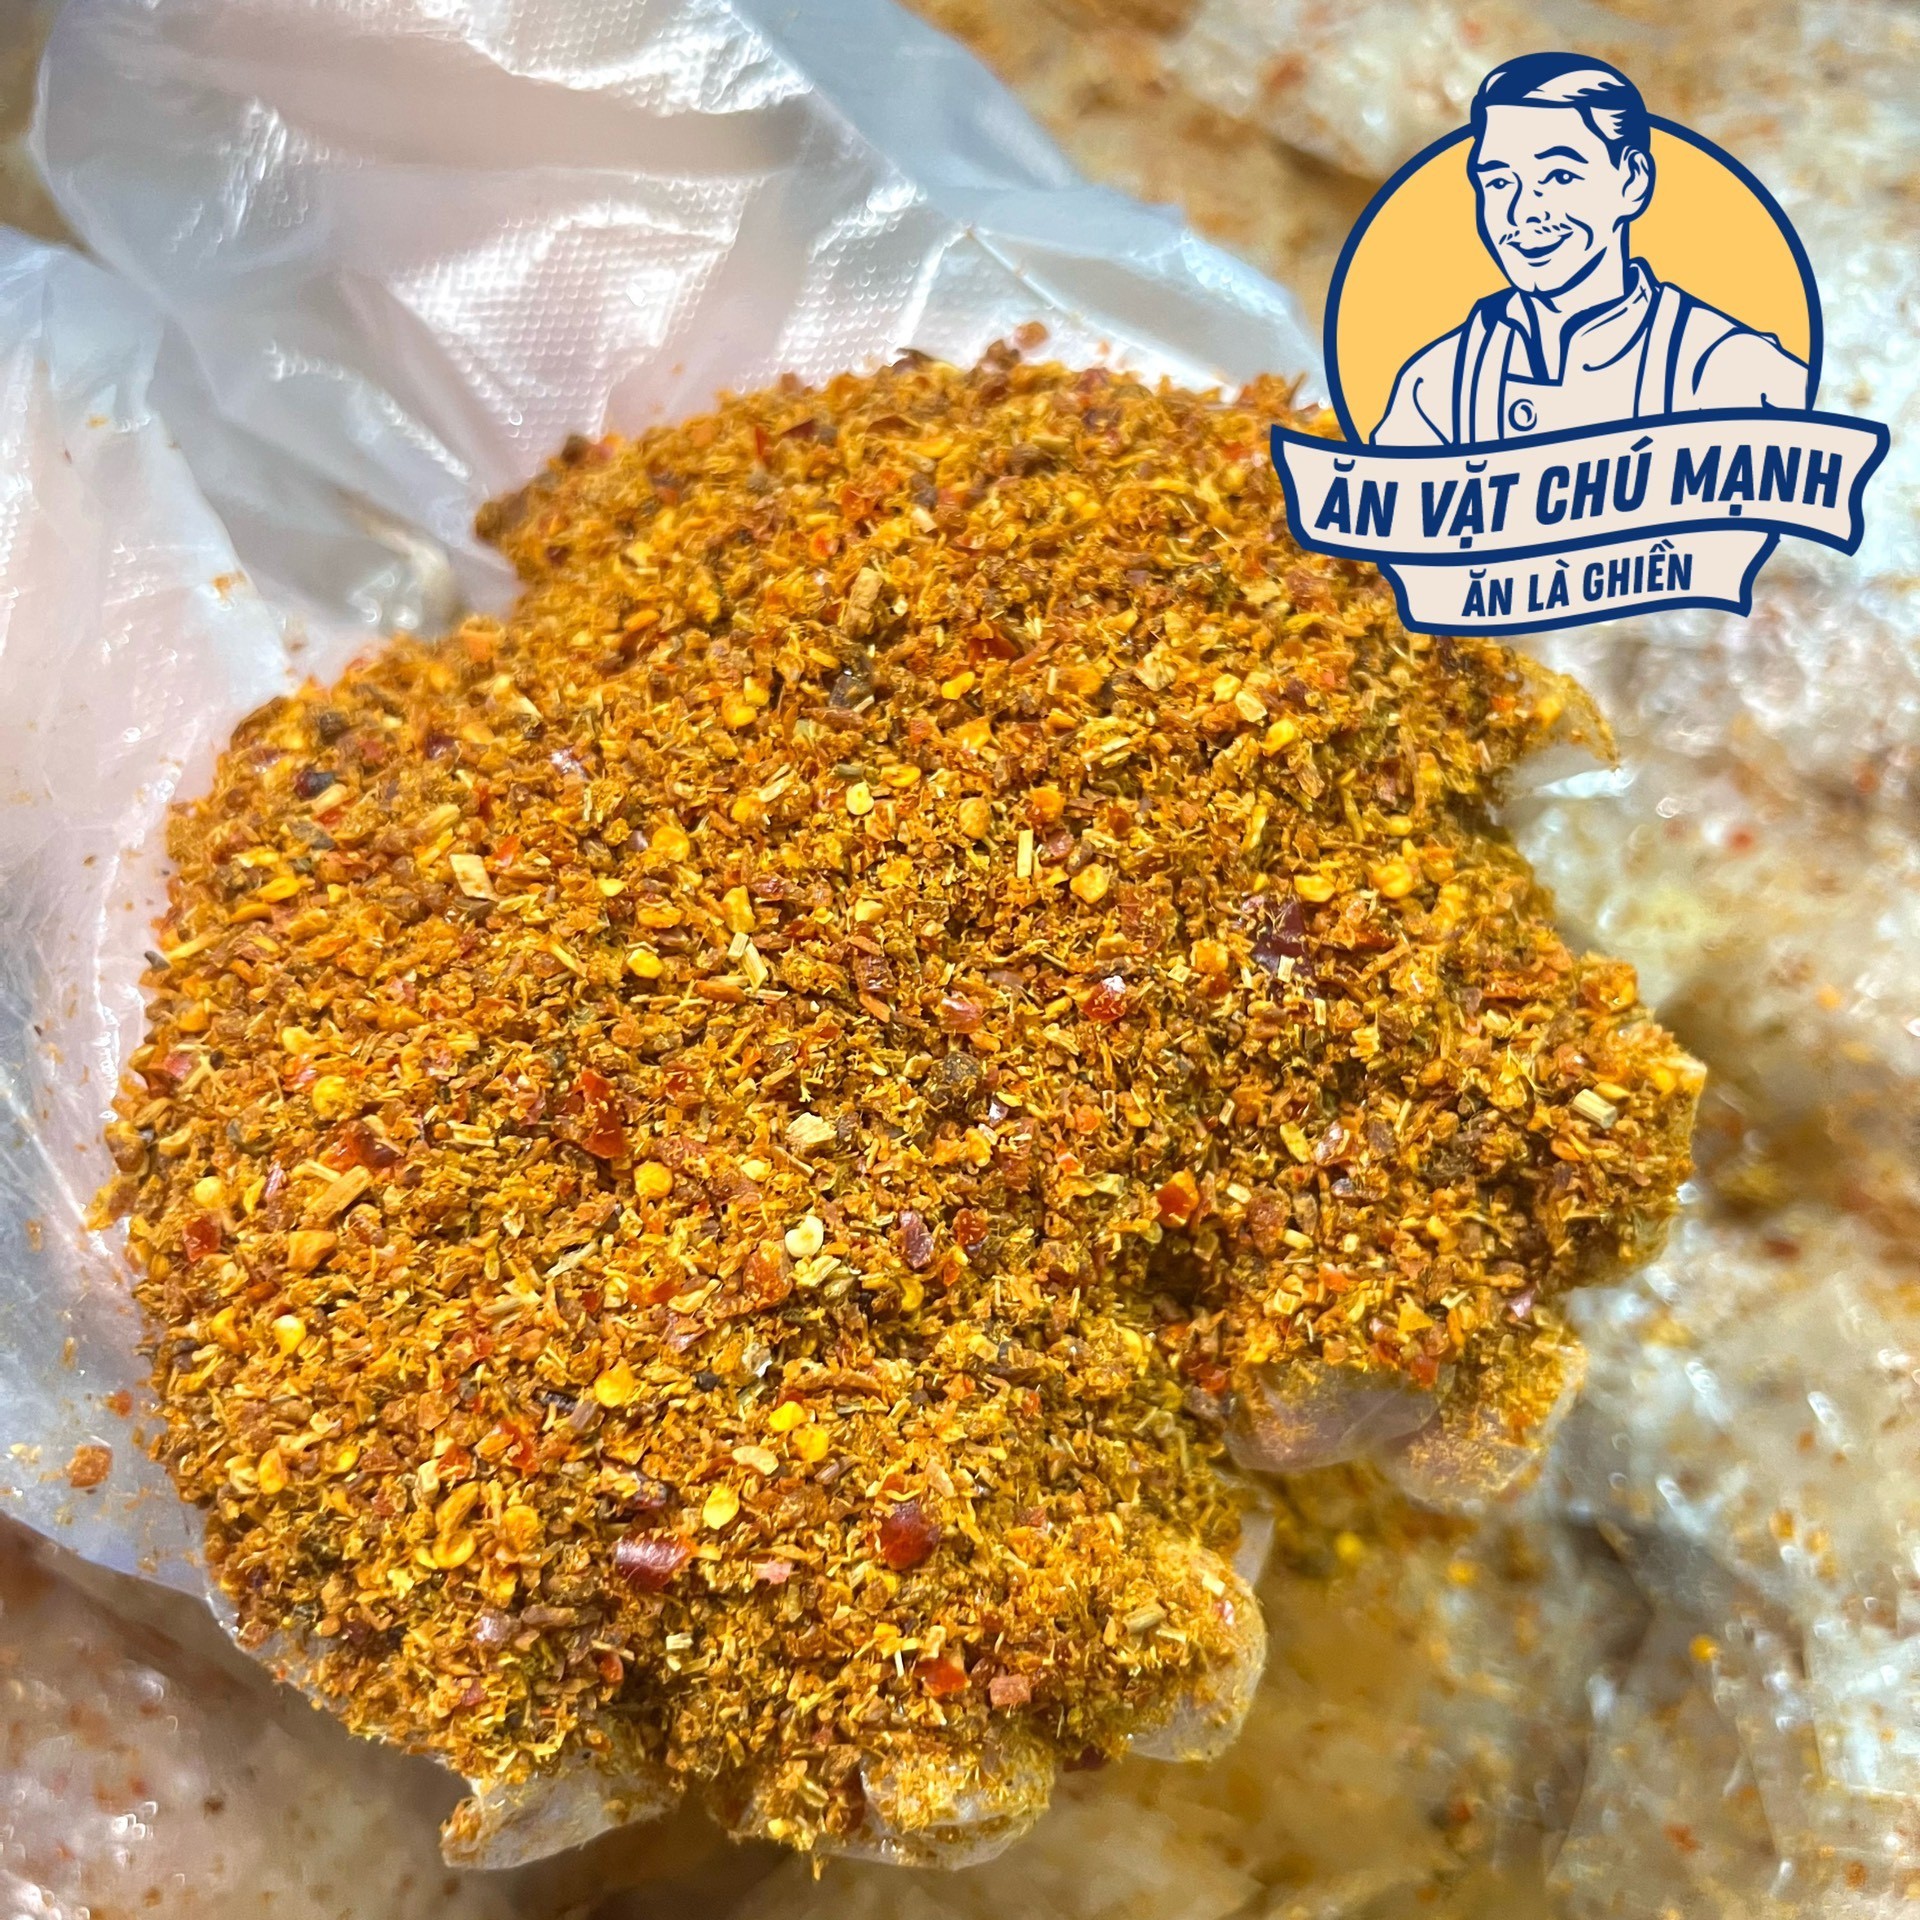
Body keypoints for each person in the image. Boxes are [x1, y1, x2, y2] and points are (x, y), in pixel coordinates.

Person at [1373, 52, 1808, 446]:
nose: (1523, 212)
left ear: (1633, 180)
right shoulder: (1440, 385)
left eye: (1559, 177)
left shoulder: (1727, 373)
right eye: (1500, 182)